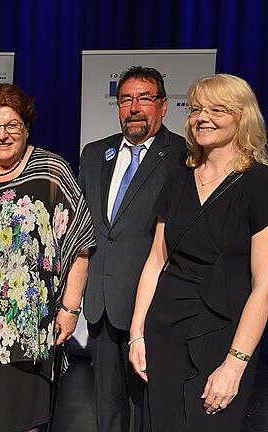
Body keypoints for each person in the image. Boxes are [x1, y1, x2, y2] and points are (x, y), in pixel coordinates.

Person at [128, 74, 268, 431]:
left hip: (223, 338)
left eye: (216, 109)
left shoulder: (259, 183)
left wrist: (235, 364)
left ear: (243, 117)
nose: (202, 117)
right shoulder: (178, 178)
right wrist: (137, 334)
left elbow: (264, 286)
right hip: (164, 333)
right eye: (196, 110)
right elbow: (156, 261)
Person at [0, 83, 94, 432]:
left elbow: (80, 243)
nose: (2, 135)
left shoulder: (51, 170)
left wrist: (71, 308)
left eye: (12, 125)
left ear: (26, 128)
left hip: (35, 325)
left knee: (28, 422)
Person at [78, 66, 187, 432]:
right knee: (107, 412)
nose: (134, 107)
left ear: (164, 106)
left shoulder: (183, 157)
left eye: (144, 98)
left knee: (149, 411)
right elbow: (87, 232)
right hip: (102, 308)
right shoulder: (95, 154)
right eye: (126, 99)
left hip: (155, 308)